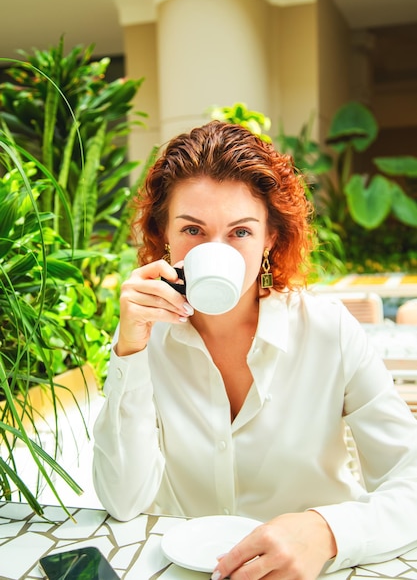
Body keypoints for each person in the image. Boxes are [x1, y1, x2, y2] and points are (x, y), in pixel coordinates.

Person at [93, 120, 417, 580]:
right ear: (164, 234)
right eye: (193, 229)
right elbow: (123, 500)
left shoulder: (329, 332)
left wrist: (325, 532)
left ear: (269, 238)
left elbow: (411, 479)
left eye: (241, 232)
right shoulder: (148, 340)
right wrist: (130, 350)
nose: (215, 249)